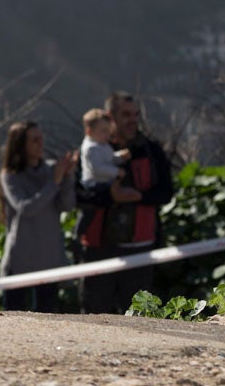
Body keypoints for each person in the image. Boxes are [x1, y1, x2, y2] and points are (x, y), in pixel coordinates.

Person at [74, 91, 174, 314]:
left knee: (138, 318)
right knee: (94, 316)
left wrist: (139, 196)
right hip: (98, 247)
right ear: (111, 116)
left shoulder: (151, 150)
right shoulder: (90, 150)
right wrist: (111, 197)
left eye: (135, 114)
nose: (133, 120)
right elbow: (78, 194)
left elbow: (166, 193)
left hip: (140, 248)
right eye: (126, 114)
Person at [0, 121, 77, 312]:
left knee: (47, 318)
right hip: (20, 259)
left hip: (48, 258)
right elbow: (26, 208)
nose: (40, 144)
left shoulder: (51, 169)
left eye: (41, 138)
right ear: (21, 145)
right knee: (14, 318)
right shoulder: (10, 176)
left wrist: (67, 177)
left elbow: (66, 205)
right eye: (34, 140)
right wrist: (54, 182)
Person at [80, 108, 130, 184]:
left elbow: (107, 159)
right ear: (89, 131)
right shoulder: (91, 148)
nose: (108, 134)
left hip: (104, 180)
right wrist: (117, 172)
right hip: (95, 183)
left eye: (108, 130)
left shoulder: (101, 143)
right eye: (104, 131)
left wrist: (120, 157)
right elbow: (97, 168)